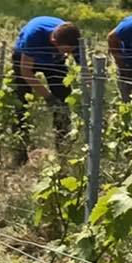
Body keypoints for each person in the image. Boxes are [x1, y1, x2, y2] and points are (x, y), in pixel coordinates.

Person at [10, 16, 80, 160]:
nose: (67, 54)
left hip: (54, 62)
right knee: (21, 100)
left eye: (70, 51)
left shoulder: (73, 38)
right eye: (64, 50)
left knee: (63, 100)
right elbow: (26, 71)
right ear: (54, 42)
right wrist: (48, 97)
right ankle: (20, 148)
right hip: (25, 58)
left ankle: (62, 149)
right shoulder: (34, 37)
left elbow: (84, 68)